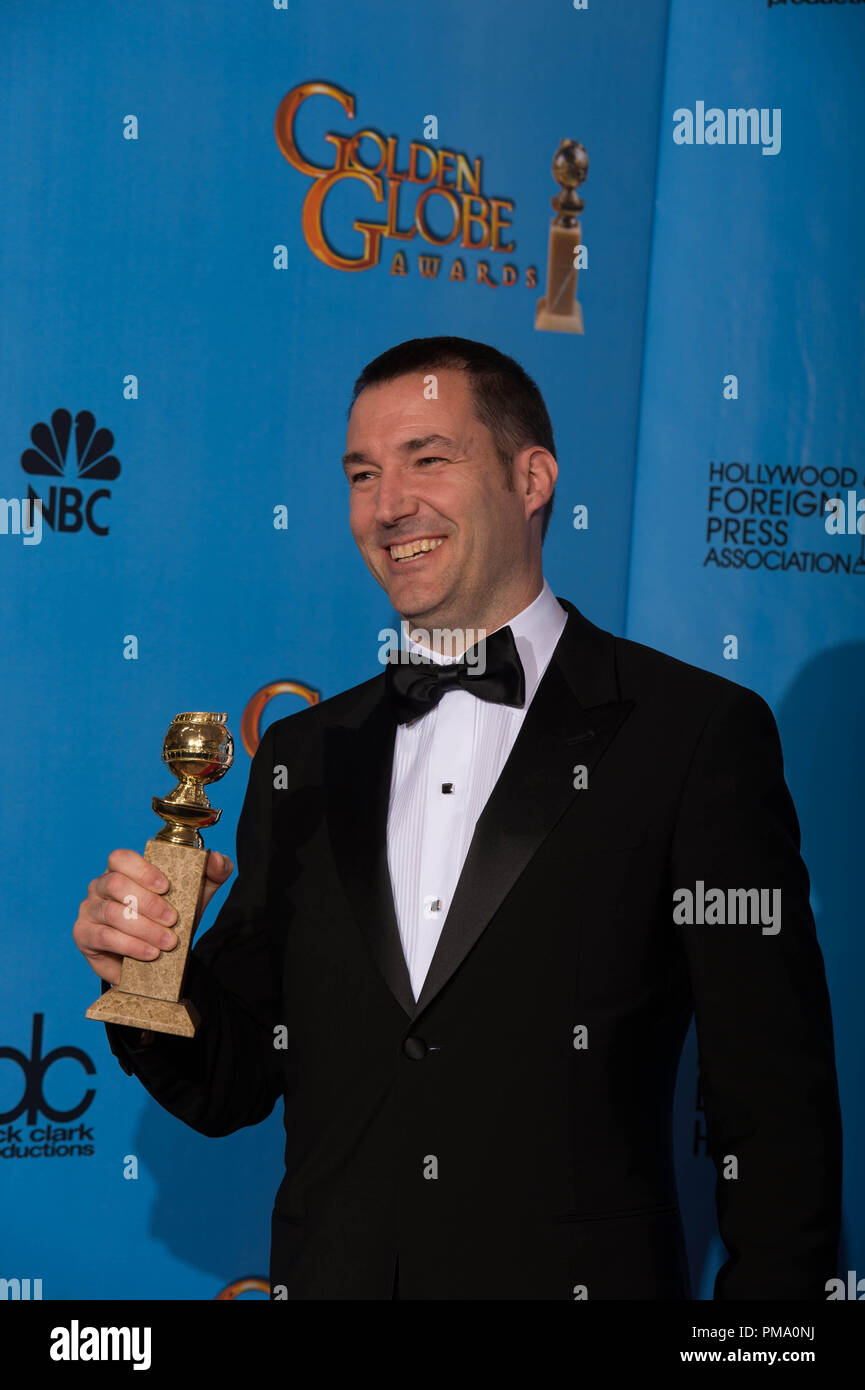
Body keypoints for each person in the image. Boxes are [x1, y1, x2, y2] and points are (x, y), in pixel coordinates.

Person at [73, 336, 842, 1300]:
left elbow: (772, 1105)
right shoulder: (303, 756)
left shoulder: (691, 736)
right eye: (363, 472)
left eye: (428, 458)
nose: (389, 503)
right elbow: (233, 1081)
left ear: (532, 478)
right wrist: (150, 973)